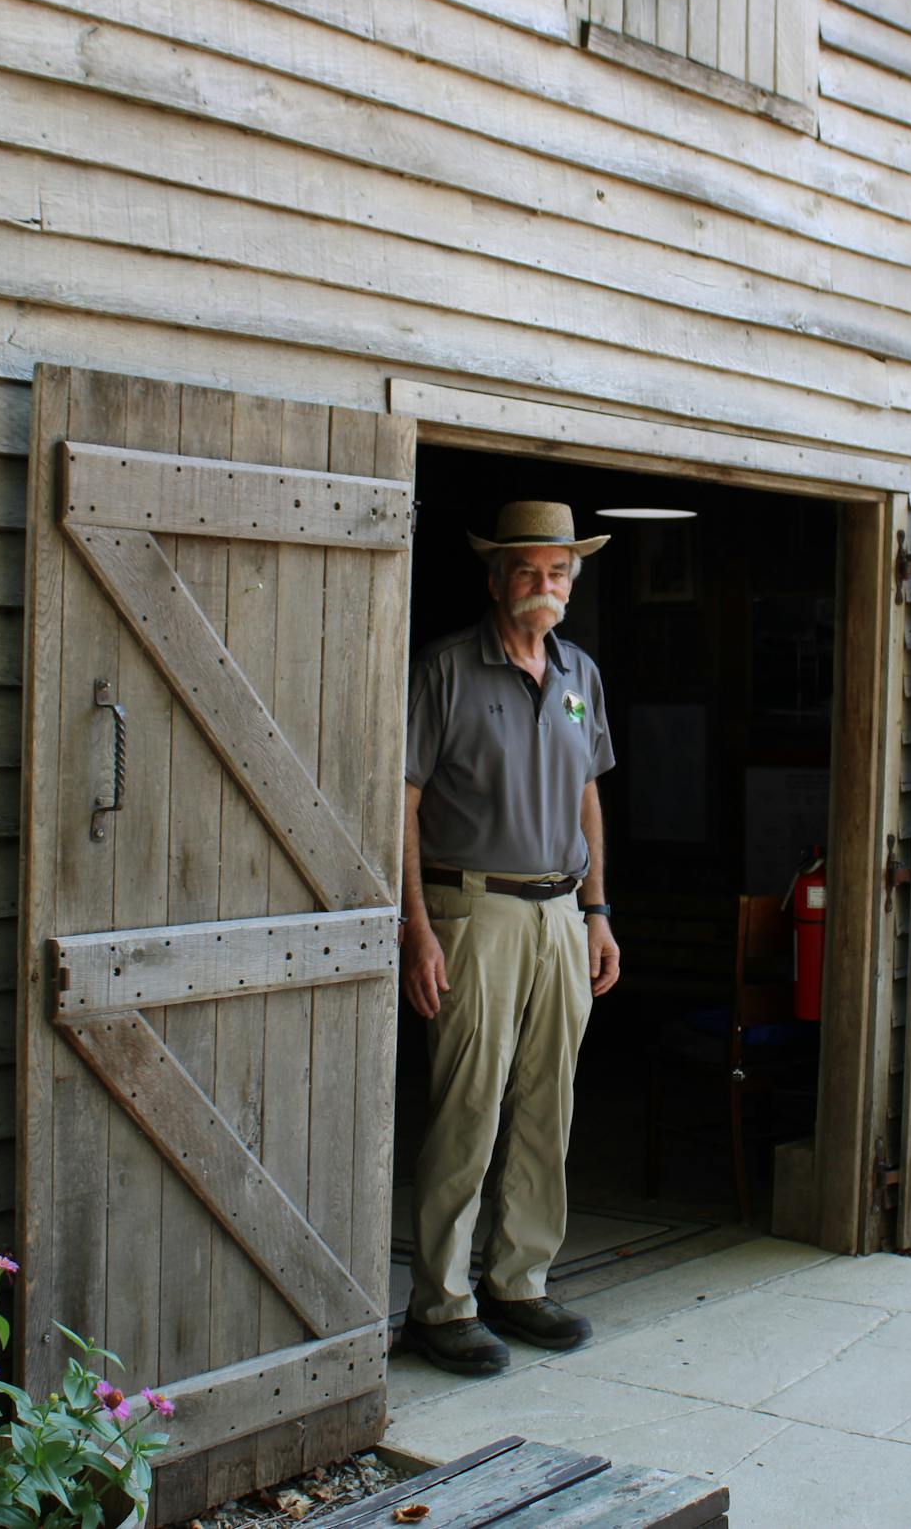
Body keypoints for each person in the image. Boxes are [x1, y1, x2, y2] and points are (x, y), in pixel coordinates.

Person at [400, 500, 621, 1376]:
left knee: (546, 1105)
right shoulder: (446, 669)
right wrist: (415, 930)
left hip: (562, 914)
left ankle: (519, 1282)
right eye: (526, 570)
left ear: (573, 581)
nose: (543, 585)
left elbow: (588, 794)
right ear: (497, 578)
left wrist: (598, 912)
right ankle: (441, 1302)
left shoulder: (579, 676)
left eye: (557, 571)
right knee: (469, 1106)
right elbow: (403, 803)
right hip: (474, 912)